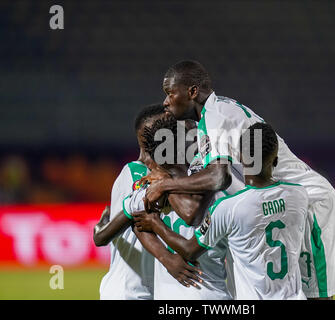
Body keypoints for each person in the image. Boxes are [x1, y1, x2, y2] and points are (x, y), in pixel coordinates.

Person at [141, 60, 335, 299]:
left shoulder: (218, 116)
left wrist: (165, 185)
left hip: (307, 199)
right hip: (270, 203)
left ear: (192, 91)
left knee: (314, 294)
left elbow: (218, 177)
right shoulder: (211, 118)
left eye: (170, 93)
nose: (165, 101)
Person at [136, 122, 308, 299]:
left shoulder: (228, 207)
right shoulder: (299, 195)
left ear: (240, 158)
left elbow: (188, 250)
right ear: (276, 160)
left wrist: (155, 224)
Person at [93, 104, 202, 299]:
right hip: (128, 291)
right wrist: (168, 260)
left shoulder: (173, 173)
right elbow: (137, 221)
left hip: (155, 291)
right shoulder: (135, 172)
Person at [123, 115, 234, 300]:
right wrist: (166, 257)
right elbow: (135, 220)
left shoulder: (154, 188)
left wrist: (166, 186)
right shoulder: (155, 185)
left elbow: (190, 214)